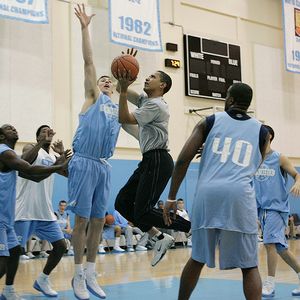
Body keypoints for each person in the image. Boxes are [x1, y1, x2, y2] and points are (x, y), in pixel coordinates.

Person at [163, 83, 269, 300]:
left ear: (229, 99)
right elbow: (254, 165)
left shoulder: (210, 121)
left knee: (197, 258)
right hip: (239, 195)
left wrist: (172, 197)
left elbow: (182, 160)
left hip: (208, 194)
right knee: (249, 266)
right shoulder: (263, 131)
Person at [68, 4, 123, 299]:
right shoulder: (93, 97)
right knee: (81, 220)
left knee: (100, 220)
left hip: (103, 165)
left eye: (110, 80)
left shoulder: (117, 108)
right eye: (103, 79)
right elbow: (89, 62)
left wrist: (126, 80)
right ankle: (77, 274)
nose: (105, 81)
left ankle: (91, 272)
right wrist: (85, 27)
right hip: (83, 161)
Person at [115, 57, 191, 267]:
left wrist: (121, 91)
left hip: (159, 159)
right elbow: (125, 91)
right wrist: (123, 80)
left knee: (144, 210)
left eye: (152, 77)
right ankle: (159, 237)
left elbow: (124, 117)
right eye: (147, 76)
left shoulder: (156, 105)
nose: (147, 79)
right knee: (121, 202)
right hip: (149, 160)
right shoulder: (148, 101)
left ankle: (191, 227)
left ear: (163, 85)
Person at [0, 124, 69, 300]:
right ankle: (9, 288)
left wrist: (61, 157)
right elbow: (27, 165)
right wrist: (40, 144)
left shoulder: (50, 156)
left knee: (60, 246)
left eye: (50, 131)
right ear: (37, 135)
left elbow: (49, 175)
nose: (48, 133)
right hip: (23, 211)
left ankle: (40, 280)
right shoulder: (25, 149)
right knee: (10, 255)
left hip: (43, 212)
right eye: (43, 131)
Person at [254, 125, 300, 298]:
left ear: (269, 136)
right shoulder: (254, 159)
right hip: (261, 209)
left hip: (276, 208)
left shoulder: (278, 158)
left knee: (269, 244)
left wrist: (297, 182)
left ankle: (270, 284)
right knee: (281, 248)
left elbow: (297, 175)